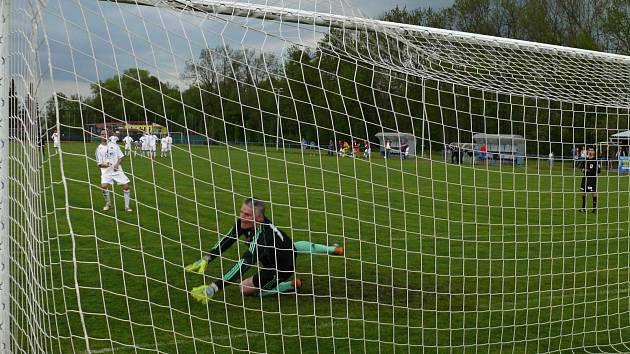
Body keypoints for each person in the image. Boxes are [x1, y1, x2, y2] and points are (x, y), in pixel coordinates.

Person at [186, 198, 344, 303]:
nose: (242, 217)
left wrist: (214, 288)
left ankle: (289, 285)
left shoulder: (262, 237)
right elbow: (228, 239)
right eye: (241, 212)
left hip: (279, 268)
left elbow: (244, 264)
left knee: (245, 288)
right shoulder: (245, 222)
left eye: (246, 214)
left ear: (259, 219)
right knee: (292, 246)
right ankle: (332, 249)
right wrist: (207, 258)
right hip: (285, 249)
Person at [95, 130, 132, 212]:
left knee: (126, 187)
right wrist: (106, 165)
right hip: (106, 172)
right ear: (100, 135)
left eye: (105, 134)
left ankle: (127, 206)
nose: (104, 135)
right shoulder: (99, 148)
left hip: (117, 170)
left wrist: (116, 165)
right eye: (102, 134)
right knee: (103, 186)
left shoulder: (114, 145)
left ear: (108, 135)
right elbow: (99, 164)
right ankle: (108, 204)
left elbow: (121, 156)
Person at [579, 146, 600, 213]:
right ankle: (583, 208)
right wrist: (583, 169)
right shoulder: (585, 159)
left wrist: (589, 171)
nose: (590, 151)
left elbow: (598, 171)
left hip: (592, 178)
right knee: (584, 192)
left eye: (592, 150)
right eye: (589, 150)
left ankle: (594, 208)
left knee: (593, 192)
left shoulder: (596, 160)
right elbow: (581, 166)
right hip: (585, 178)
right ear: (587, 151)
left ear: (594, 152)